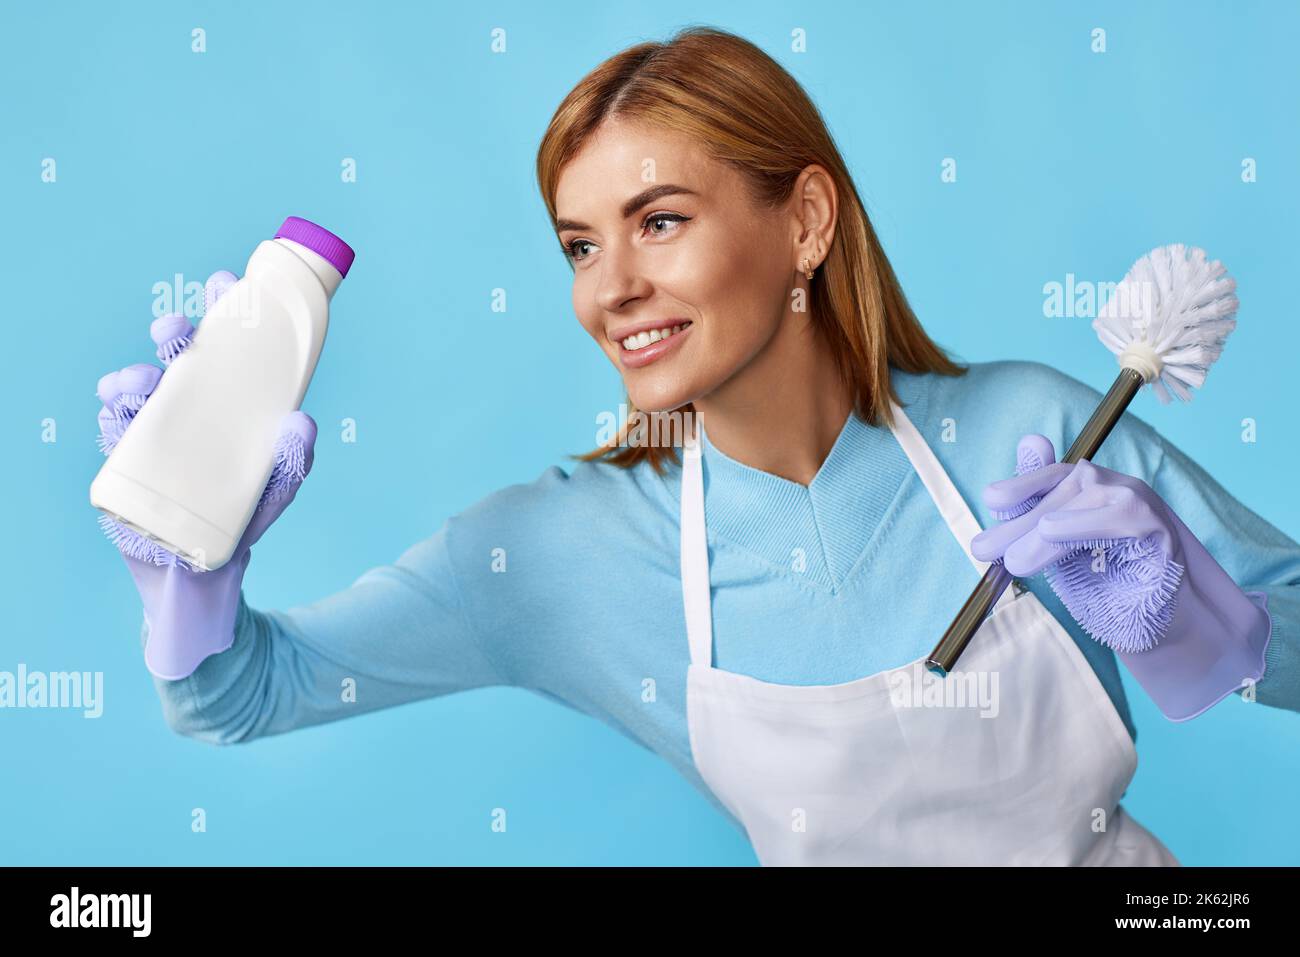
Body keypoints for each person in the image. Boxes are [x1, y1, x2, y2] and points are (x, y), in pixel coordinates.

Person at [96, 26, 1300, 866]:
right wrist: (190, 569)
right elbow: (236, 698)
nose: (610, 289)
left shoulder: (1034, 432)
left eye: (657, 222)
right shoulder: (559, 554)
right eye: (578, 247)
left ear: (807, 222)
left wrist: (1204, 622)